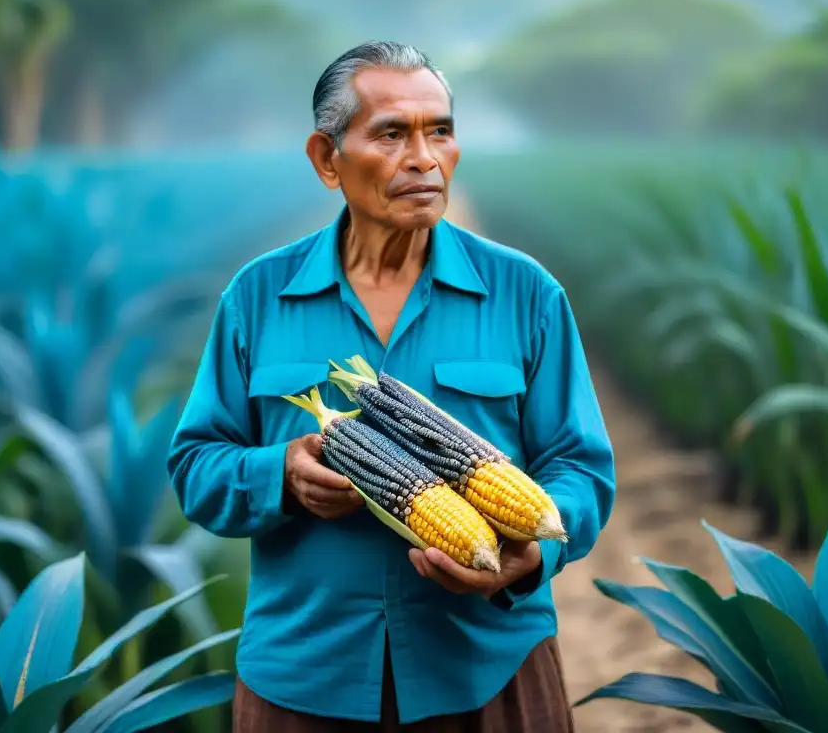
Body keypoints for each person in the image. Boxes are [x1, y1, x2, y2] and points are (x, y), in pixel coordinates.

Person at [167, 40, 616, 732]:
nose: (424, 158)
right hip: (305, 679)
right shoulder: (257, 298)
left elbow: (581, 466)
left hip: (488, 671)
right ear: (326, 159)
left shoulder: (525, 294)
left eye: (440, 130)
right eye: (391, 134)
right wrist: (279, 473)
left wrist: (531, 555)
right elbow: (196, 466)